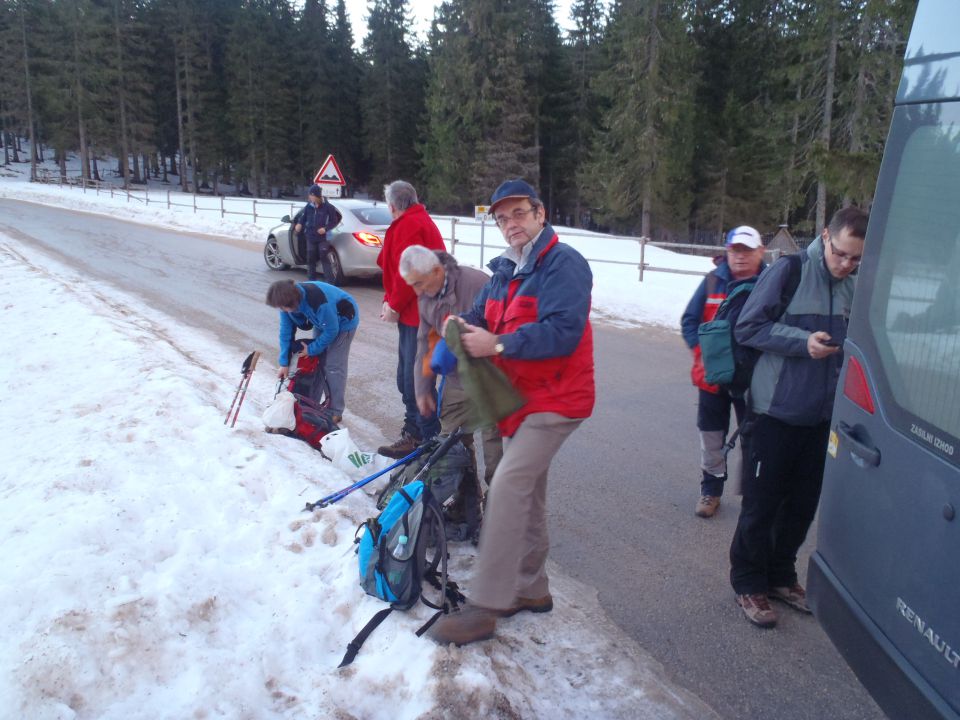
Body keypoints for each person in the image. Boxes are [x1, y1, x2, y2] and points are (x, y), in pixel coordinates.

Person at [427, 179, 595, 646]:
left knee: (507, 483)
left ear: (540, 214)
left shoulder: (565, 265)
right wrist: (459, 327)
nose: (510, 224)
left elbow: (563, 331)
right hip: (522, 401)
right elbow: (479, 315)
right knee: (529, 492)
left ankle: (485, 607)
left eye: (518, 213)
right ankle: (531, 590)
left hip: (558, 400)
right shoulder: (504, 271)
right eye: (502, 218)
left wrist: (498, 343)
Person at [729, 206, 868, 628]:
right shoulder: (789, 271)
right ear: (825, 236)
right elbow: (748, 328)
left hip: (822, 417)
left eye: (856, 259)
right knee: (761, 504)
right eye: (841, 253)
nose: (846, 265)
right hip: (774, 412)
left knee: (802, 505)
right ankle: (749, 582)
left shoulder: (856, 287)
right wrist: (801, 341)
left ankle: (780, 575)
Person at [399, 245, 504, 521]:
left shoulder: (478, 283)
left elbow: (505, 329)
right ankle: (467, 500)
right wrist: (423, 390)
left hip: (491, 375)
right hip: (457, 379)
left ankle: (498, 511)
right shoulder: (425, 299)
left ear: (437, 271)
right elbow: (424, 347)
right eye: (412, 286)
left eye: (419, 283)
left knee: (494, 443)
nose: (417, 292)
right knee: (453, 440)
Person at [680, 226, 766, 518]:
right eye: (735, 250)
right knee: (711, 437)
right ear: (727, 252)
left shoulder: (771, 284)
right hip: (712, 380)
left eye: (747, 251)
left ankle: (754, 496)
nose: (740, 257)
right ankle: (711, 490)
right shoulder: (712, 281)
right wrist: (704, 354)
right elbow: (689, 322)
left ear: (760, 251)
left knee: (754, 440)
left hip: (753, 381)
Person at [376, 180, 445, 458]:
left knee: (415, 380)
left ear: (392, 206)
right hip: (418, 313)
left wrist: (393, 304)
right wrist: (390, 299)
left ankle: (429, 443)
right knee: (411, 377)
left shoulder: (409, 225)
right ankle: (417, 435)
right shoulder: (418, 221)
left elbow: (409, 274)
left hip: (420, 315)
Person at [265, 279, 359, 423]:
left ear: (293, 303)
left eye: (283, 308)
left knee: (333, 366)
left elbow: (332, 330)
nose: (281, 310)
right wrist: (284, 362)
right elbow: (285, 332)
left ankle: (335, 411)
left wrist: (311, 349)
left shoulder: (318, 301)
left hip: (344, 321)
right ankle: (312, 405)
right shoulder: (286, 305)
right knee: (317, 362)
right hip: (323, 321)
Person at [294, 185, 339, 282]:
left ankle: (330, 282)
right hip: (311, 236)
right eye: (309, 195)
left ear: (317, 196)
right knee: (310, 258)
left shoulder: (328, 207)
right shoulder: (309, 206)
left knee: (324, 257)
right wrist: (299, 224)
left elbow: (334, 221)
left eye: (311, 195)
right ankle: (311, 281)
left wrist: (325, 229)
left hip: (323, 237)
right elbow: (303, 218)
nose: (309, 197)